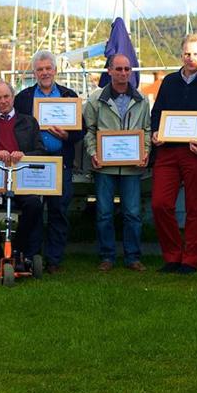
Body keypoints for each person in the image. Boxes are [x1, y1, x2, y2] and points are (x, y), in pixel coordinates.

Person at [150, 33, 197, 274]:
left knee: (196, 207)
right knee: (160, 203)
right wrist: (155, 133)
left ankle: (191, 258)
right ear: (181, 55)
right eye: (186, 53)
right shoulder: (169, 81)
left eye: (195, 54)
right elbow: (157, 113)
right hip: (168, 152)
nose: (190, 58)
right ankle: (172, 255)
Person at [13, 50, 84, 273]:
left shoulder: (68, 95)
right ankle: (32, 256)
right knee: (32, 209)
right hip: (32, 162)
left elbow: (80, 130)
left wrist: (67, 136)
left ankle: (54, 260)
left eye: (48, 68)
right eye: (40, 69)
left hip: (60, 161)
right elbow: (14, 128)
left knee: (58, 211)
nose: (44, 73)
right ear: (34, 72)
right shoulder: (23, 98)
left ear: (55, 70)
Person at [83, 53, 151, 272]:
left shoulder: (142, 99)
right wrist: (93, 152)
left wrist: (146, 151)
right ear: (109, 71)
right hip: (105, 165)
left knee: (132, 213)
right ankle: (107, 256)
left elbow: (147, 130)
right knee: (104, 212)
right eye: (119, 69)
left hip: (132, 166)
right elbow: (89, 130)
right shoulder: (95, 99)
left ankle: (133, 257)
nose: (123, 73)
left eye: (127, 69)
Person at [0, 81, 45, 267]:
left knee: (35, 204)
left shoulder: (29, 121)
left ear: (13, 97)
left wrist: (24, 155)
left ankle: (19, 247)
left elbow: (41, 151)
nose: (3, 101)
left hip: (21, 179)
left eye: (6, 97)